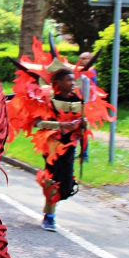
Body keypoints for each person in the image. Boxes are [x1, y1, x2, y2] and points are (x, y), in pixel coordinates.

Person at [35, 68, 86, 232]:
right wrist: (61, 125)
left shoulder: (78, 100)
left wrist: (84, 125)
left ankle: (58, 197)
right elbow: (38, 123)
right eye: (68, 80)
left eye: (73, 80)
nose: (72, 83)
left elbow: (84, 125)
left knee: (66, 185)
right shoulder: (48, 100)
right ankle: (49, 217)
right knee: (52, 180)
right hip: (52, 145)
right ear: (58, 83)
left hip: (70, 146)